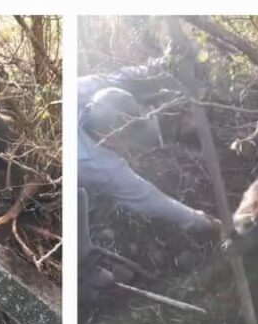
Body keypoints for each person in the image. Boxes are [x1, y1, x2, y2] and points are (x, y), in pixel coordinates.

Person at [78, 59, 220, 242]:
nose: (129, 144)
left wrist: (169, 63)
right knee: (79, 198)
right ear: (107, 136)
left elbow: (126, 77)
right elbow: (149, 199)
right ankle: (86, 264)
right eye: (126, 138)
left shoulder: (88, 89)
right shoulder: (98, 166)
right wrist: (200, 221)